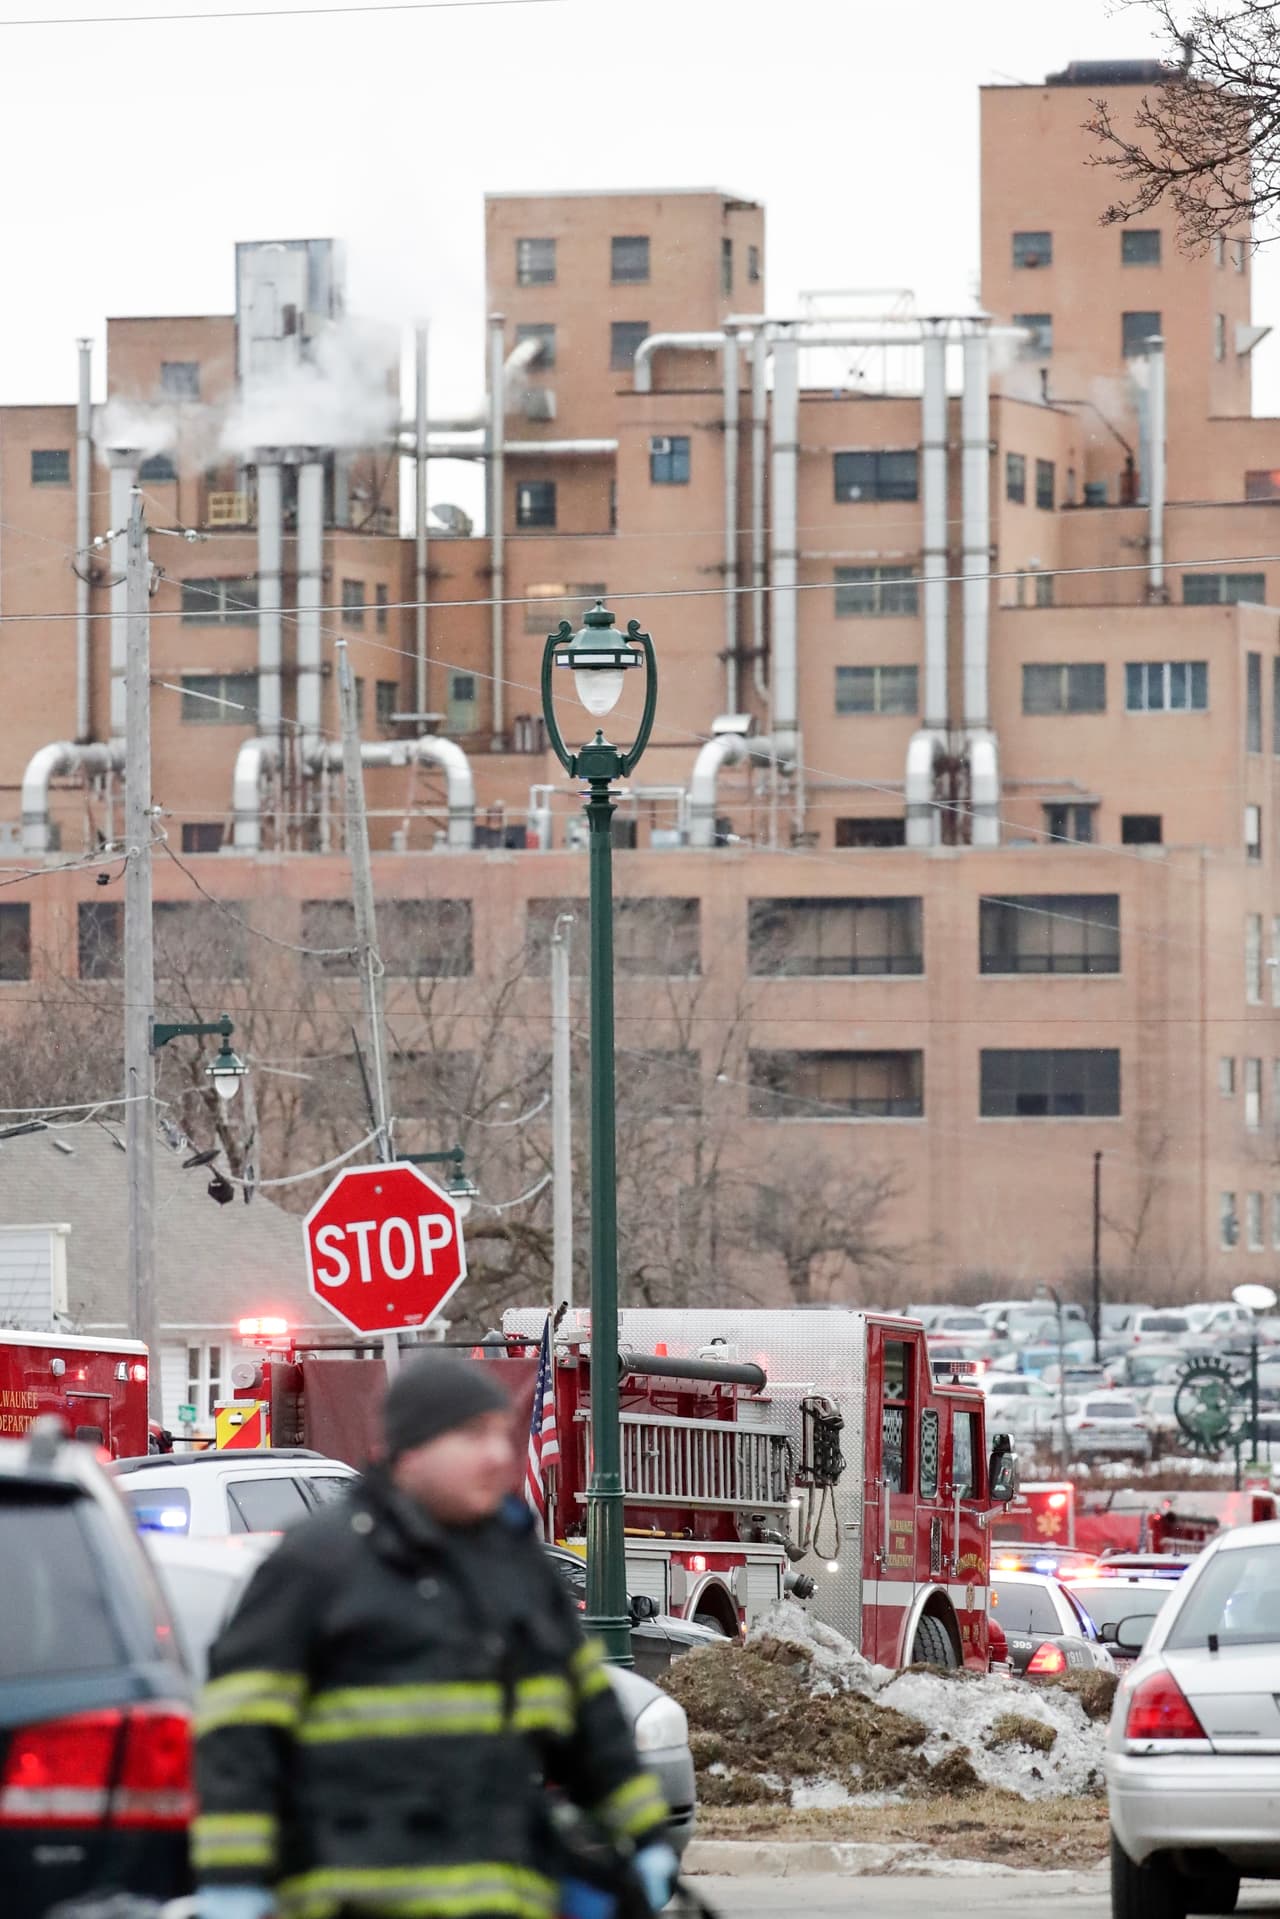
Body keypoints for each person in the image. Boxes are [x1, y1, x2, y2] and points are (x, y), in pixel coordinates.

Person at [194, 1352, 677, 1919]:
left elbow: (589, 1720)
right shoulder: (315, 1566)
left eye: (501, 1435)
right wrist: (233, 1880)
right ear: (412, 1450)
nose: (497, 1455)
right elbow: (240, 1738)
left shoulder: (516, 1567)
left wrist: (647, 1838)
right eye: (472, 1435)